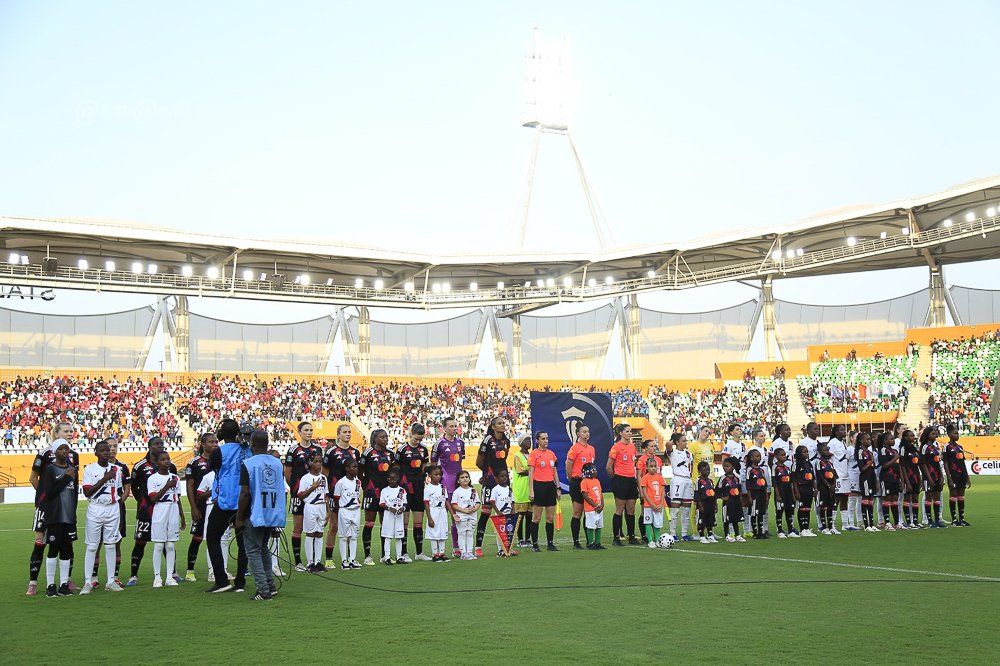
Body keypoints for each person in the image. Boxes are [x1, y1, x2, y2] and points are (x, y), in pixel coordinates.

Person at [235, 429, 287, 601]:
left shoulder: (248, 463)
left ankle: (263, 590)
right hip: (272, 512)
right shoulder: (278, 463)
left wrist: (239, 517)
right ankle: (270, 586)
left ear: (252, 444)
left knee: (253, 551)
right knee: (263, 548)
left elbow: (244, 493)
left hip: (255, 513)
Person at [26, 422, 77, 596]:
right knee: (41, 542)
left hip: (66, 509)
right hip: (47, 506)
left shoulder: (74, 456)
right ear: (56, 434)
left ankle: (66, 581)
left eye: (71, 431)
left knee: (66, 544)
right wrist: (46, 499)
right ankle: (33, 582)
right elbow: (33, 478)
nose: (70, 433)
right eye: (66, 431)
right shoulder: (44, 454)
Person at [205, 419, 250, 593]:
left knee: (212, 537)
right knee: (243, 543)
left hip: (225, 500)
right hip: (244, 500)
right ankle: (240, 582)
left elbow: (213, 468)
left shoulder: (218, 452)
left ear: (221, 435)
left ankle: (221, 580)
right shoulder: (247, 450)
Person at [127, 436, 178, 587]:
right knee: (140, 541)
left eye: (162, 444)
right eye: (156, 444)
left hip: (166, 510)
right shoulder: (140, 466)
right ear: (149, 446)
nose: (160, 446)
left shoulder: (172, 466)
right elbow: (134, 486)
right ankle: (133, 575)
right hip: (147, 510)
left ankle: (172, 573)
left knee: (166, 542)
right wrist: (142, 502)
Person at [80, 439, 124, 593]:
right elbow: (87, 492)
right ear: (96, 453)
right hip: (96, 508)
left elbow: (118, 490)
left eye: (108, 450)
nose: (106, 452)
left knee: (111, 545)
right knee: (92, 546)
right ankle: (88, 582)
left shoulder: (117, 469)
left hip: (112, 508)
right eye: (103, 450)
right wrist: (105, 478)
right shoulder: (90, 469)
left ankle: (111, 581)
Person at [38, 439, 78, 597]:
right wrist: (67, 478)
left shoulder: (71, 469)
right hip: (54, 516)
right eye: (61, 449)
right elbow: (49, 493)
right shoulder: (50, 469)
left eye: (67, 449)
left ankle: (63, 585)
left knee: (67, 550)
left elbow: (73, 493)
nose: (65, 452)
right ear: (55, 451)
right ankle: (50, 585)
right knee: (53, 549)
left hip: (68, 517)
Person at [284, 422, 323, 572]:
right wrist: (295, 488)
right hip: (299, 495)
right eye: (306, 430)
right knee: (298, 528)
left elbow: (321, 470)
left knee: (315, 529)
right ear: (299, 432)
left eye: (311, 430)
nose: (309, 432)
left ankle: (314, 561)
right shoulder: (294, 450)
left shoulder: (317, 449)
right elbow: (288, 472)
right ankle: (298, 561)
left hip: (316, 497)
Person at [322, 423, 361, 569]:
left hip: (349, 495)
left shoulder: (355, 452)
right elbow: (325, 473)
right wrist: (326, 492)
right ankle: (329, 558)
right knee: (334, 526)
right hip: (335, 494)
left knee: (352, 528)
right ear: (338, 434)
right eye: (344, 432)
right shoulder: (331, 452)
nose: (348, 434)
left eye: (349, 432)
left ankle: (350, 559)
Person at [147, 451, 186, 587]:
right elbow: (153, 498)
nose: (167, 461)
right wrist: (166, 487)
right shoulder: (153, 479)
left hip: (173, 510)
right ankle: (157, 578)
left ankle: (170, 577)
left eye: (168, 459)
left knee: (170, 545)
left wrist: (182, 516)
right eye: (163, 459)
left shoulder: (175, 477)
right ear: (157, 463)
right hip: (160, 510)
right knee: (158, 545)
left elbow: (178, 498)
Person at [475, 417, 511, 557]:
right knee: (486, 513)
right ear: (493, 426)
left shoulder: (506, 441)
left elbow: (503, 460)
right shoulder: (487, 440)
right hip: (490, 481)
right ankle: (478, 546)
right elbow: (479, 461)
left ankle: (504, 547)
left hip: (503, 481)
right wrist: (486, 474)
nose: (503, 425)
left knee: (504, 513)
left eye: (504, 423)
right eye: (500, 423)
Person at [184, 432, 216, 582]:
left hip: (217, 505)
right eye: (211, 442)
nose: (215, 444)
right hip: (201, 505)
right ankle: (190, 570)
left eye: (216, 442)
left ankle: (216, 569)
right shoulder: (195, 462)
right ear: (203, 444)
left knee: (218, 537)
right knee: (197, 537)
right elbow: (190, 486)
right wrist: (193, 507)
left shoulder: (220, 460)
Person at [397, 423, 431, 562]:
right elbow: (396, 468)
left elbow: (424, 466)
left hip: (419, 487)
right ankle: (404, 553)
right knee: (404, 522)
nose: (418, 442)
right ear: (411, 434)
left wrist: (424, 477)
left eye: (420, 439)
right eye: (416, 439)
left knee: (418, 521)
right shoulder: (402, 449)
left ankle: (419, 552)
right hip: (405, 487)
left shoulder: (423, 449)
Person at [431, 416, 465, 555]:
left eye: (455, 426)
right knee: (440, 516)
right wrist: (435, 482)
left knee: (456, 517)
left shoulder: (461, 443)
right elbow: (433, 465)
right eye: (451, 426)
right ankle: (437, 549)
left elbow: (460, 463)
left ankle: (457, 548)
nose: (454, 428)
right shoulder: (439, 444)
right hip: (445, 484)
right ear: (444, 428)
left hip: (458, 485)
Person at [360, 429, 395, 565]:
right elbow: (360, 471)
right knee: (369, 523)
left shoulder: (390, 454)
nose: (385, 439)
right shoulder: (368, 453)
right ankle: (367, 556)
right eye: (382, 437)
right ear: (375, 439)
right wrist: (365, 485)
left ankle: (384, 555)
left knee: (384, 524)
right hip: (371, 492)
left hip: (386, 493)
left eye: (386, 437)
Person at [607, 423, 640, 546]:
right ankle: (616, 537)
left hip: (631, 480)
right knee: (619, 509)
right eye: (627, 431)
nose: (630, 433)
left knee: (631, 509)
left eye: (630, 431)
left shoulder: (632, 447)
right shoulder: (616, 447)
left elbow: (634, 463)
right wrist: (615, 479)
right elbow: (608, 466)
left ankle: (631, 536)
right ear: (621, 433)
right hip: (620, 480)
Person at [565, 425, 597, 550]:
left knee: (589, 513)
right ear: (578, 434)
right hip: (578, 481)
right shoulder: (574, 449)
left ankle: (590, 541)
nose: (587, 434)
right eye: (584, 431)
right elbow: (569, 467)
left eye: (588, 431)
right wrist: (573, 480)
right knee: (577, 512)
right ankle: (576, 541)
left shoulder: (592, 448)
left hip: (589, 482)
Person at [528, 431, 560, 552]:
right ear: (537, 441)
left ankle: (550, 544)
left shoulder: (551, 454)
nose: (545, 441)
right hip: (539, 486)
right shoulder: (534, 454)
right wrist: (531, 491)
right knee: (536, 517)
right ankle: (535, 544)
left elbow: (555, 471)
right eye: (543, 439)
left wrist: (558, 488)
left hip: (550, 486)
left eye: (547, 438)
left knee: (550, 518)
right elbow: (530, 473)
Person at [298, 453, 328, 572]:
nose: (319, 464)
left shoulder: (324, 478)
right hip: (310, 506)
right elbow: (301, 495)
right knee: (310, 533)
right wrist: (312, 487)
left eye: (320, 462)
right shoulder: (305, 478)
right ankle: (310, 562)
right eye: (316, 461)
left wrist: (329, 512)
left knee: (320, 533)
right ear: (310, 463)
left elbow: (326, 496)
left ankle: (318, 561)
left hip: (321, 507)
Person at [333, 458, 363, 569]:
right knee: (343, 536)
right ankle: (344, 561)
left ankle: (352, 560)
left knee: (354, 536)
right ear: (346, 468)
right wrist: (339, 512)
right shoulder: (341, 482)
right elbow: (336, 498)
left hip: (356, 510)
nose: (356, 469)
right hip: (344, 510)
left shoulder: (358, 482)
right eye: (353, 467)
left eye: (356, 467)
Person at [665, 432, 694, 542]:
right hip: (678, 480)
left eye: (686, 440)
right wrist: (673, 440)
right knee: (675, 510)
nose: (686, 443)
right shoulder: (672, 453)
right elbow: (668, 444)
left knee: (686, 509)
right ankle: (672, 533)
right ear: (677, 442)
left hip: (688, 481)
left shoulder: (688, 454)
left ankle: (684, 534)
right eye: (683, 441)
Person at [687, 426, 715, 538]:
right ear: (700, 431)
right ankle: (696, 531)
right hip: (697, 480)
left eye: (709, 432)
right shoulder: (693, 446)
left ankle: (710, 530)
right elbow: (689, 462)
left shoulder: (710, 445)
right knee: (697, 506)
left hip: (711, 480)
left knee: (711, 506)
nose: (707, 433)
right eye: (705, 431)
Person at [827, 424, 854, 532]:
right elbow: (828, 459)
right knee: (836, 500)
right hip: (837, 475)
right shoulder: (832, 443)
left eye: (845, 430)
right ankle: (832, 524)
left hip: (845, 475)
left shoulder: (842, 443)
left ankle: (845, 524)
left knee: (844, 499)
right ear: (836, 432)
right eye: (842, 430)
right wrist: (833, 473)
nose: (844, 432)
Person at [943, 425, 971, 527]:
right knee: (953, 495)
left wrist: (967, 477)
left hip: (962, 474)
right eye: (955, 433)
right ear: (949, 435)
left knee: (961, 496)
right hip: (953, 475)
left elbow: (963, 463)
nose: (957, 435)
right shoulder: (946, 447)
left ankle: (962, 519)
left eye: (957, 433)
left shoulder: (960, 447)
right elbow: (945, 463)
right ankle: (954, 519)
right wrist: (949, 477)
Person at [919, 426, 946, 528]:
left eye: (935, 434)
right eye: (932, 434)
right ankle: (929, 520)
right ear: (927, 435)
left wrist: (942, 476)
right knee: (929, 497)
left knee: (937, 497)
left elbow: (938, 463)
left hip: (937, 475)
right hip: (929, 476)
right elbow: (923, 464)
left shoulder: (935, 448)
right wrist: (928, 477)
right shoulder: (924, 447)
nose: (935, 436)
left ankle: (937, 519)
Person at [379, 467, 408, 565]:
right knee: (388, 536)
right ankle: (387, 557)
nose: (392, 481)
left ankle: (399, 556)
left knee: (399, 537)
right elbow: (382, 503)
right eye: (390, 479)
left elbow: (405, 503)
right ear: (387, 479)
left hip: (399, 516)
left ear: (398, 479)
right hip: (388, 516)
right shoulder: (384, 490)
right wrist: (390, 508)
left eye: (394, 479)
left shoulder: (402, 490)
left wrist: (402, 509)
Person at [450, 470, 481, 560]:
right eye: (462, 477)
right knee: (462, 533)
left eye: (466, 477)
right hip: (462, 516)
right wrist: (464, 511)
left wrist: (475, 508)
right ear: (458, 481)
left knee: (470, 533)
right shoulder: (457, 492)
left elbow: (478, 502)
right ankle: (463, 553)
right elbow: (454, 505)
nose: (465, 479)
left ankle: (469, 552)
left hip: (472, 515)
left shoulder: (473, 490)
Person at [423, 464, 451, 562]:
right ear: (430, 475)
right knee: (434, 533)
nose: (438, 476)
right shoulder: (428, 488)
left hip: (442, 512)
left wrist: (452, 513)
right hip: (433, 511)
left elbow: (446, 501)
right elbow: (426, 504)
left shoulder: (443, 487)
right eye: (436, 474)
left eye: (439, 474)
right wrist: (429, 517)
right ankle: (435, 554)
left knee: (443, 532)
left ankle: (442, 553)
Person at [639, 457, 667, 548]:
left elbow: (663, 491)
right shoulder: (645, 478)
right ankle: (650, 540)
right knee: (648, 522)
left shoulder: (660, 477)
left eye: (655, 466)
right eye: (651, 466)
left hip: (659, 504)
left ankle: (657, 540)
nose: (653, 468)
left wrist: (661, 503)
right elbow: (644, 492)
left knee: (657, 523)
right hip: (648, 505)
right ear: (647, 467)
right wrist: (651, 504)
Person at [716, 457, 745, 543]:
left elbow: (739, 490)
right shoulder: (722, 479)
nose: (725, 468)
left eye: (727, 466)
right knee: (727, 519)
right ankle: (727, 535)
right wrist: (722, 497)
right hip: (727, 503)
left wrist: (741, 499)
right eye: (724, 466)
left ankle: (737, 535)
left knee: (736, 518)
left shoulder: (737, 478)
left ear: (733, 467)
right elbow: (717, 491)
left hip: (736, 502)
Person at [877, 432, 902, 530]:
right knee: (887, 499)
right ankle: (887, 523)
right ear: (885, 441)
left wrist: (901, 479)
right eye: (891, 439)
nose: (893, 440)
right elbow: (884, 465)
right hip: (886, 478)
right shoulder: (883, 450)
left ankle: (897, 523)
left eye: (893, 439)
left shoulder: (894, 450)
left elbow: (898, 466)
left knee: (895, 500)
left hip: (895, 478)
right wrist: (895, 458)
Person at [898, 430, 923, 529]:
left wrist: (920, 478)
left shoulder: (913, 449)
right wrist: (906, 481)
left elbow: (917, 465)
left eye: (913, 435)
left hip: (916, 476)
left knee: (916, 498)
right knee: (908, 498)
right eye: (911, 435)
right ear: (905, 437)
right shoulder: (903, 448)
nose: (913, 437)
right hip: (908, 476)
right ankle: (909, 521)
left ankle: (915, 521)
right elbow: (902, 465)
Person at [511, 435, 532, 549]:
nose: (529, 442)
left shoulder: (532, 455)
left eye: (529, 440)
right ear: (521, 443)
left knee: (530, 515)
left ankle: (528, 539)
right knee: (520, 516)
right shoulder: (517, 456)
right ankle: (520, 539)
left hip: (531, 489)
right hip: (521, 489)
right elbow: (521, 471)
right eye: (526, 440)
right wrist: (534, 470)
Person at [791, 445, 816, 537]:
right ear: (799, 454)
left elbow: (812, 478)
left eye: (807, 452)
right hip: (801, 488)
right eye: (804, 452)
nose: (806, 454)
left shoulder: (809, 464)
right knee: (802, 509)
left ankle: (806, 528)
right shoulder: (796, 464)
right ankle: (802, 529)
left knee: (807, 509)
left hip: (809, 488)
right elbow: (793, 479)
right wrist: (796, 491)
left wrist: (815, 488)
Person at [772, 447, 796, 538]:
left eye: (785, 455)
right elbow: (774, 482)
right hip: (780, 492)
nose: (784, 457)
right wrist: (777, 494)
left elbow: (790, 482)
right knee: (779, 511)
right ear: (776, 456)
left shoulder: (787, 468)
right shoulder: (775, 467)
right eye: (782, 455)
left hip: (788, 492)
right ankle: (780, 530)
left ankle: (790, 530)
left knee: (789, 510)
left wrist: (793, 493)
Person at [855, 432, 877, 531]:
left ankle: (872, 524)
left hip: (871, 477)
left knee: (871, 500)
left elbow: (873, 467)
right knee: (865, 499)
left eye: (870, 439)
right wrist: (871, 462)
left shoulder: (870, 452)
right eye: (867, 439)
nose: (869, 441)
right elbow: (862, 468)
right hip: (865, 478)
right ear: (861, 441)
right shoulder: (860, 452)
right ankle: (866, 525)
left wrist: (876, 481)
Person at [580, 463, 605, 549]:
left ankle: (598, 542)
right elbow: (585, 495)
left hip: (599, 508)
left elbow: (600, 493)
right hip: (590, 509)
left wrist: (602, 504)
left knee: (599, 525)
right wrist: (595, 505)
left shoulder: (597, 481)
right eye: (593, 470)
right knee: (591, 526)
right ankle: (590, 543)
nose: (595, 471)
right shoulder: (584, 482)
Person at [745, 449, 769, 539]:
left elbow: (764, 483)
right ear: (751, 458)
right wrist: (749, 497)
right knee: (754, 513)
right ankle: (755, 532)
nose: (759, 458)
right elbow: (748, 484)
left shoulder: (761, 470)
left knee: (761, 513)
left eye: (759, 456)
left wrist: (766, 495)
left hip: (762, 493)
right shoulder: (749, 470)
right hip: (754, 494)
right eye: (757, 456)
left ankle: (761, 532)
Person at [816, 444, 838, 535]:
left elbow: (835, 475)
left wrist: (834, 486)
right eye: (825, 450)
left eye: (828, 450)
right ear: (820, 452)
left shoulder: (830, 463)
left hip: (831, 488)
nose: (827, 452)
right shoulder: (819, 463)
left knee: (830, 507)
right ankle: (823, 527)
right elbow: (820, 476)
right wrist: (829, 486)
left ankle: (831, 526)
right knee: (823, 507)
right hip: (823, 488)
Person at [694, 461, 718, 544]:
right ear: (700, 471)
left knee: (710, 520)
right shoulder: (698, 481)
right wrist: (700, 505)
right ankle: (701, 536)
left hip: (710, 503)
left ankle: (710, 535)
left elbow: (713, 493)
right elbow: (697, 494)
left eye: (708, 470)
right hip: (703, 503)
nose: (707, 472)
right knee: (702, 520)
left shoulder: (710, 481)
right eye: (705, 470)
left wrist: (715, 505)